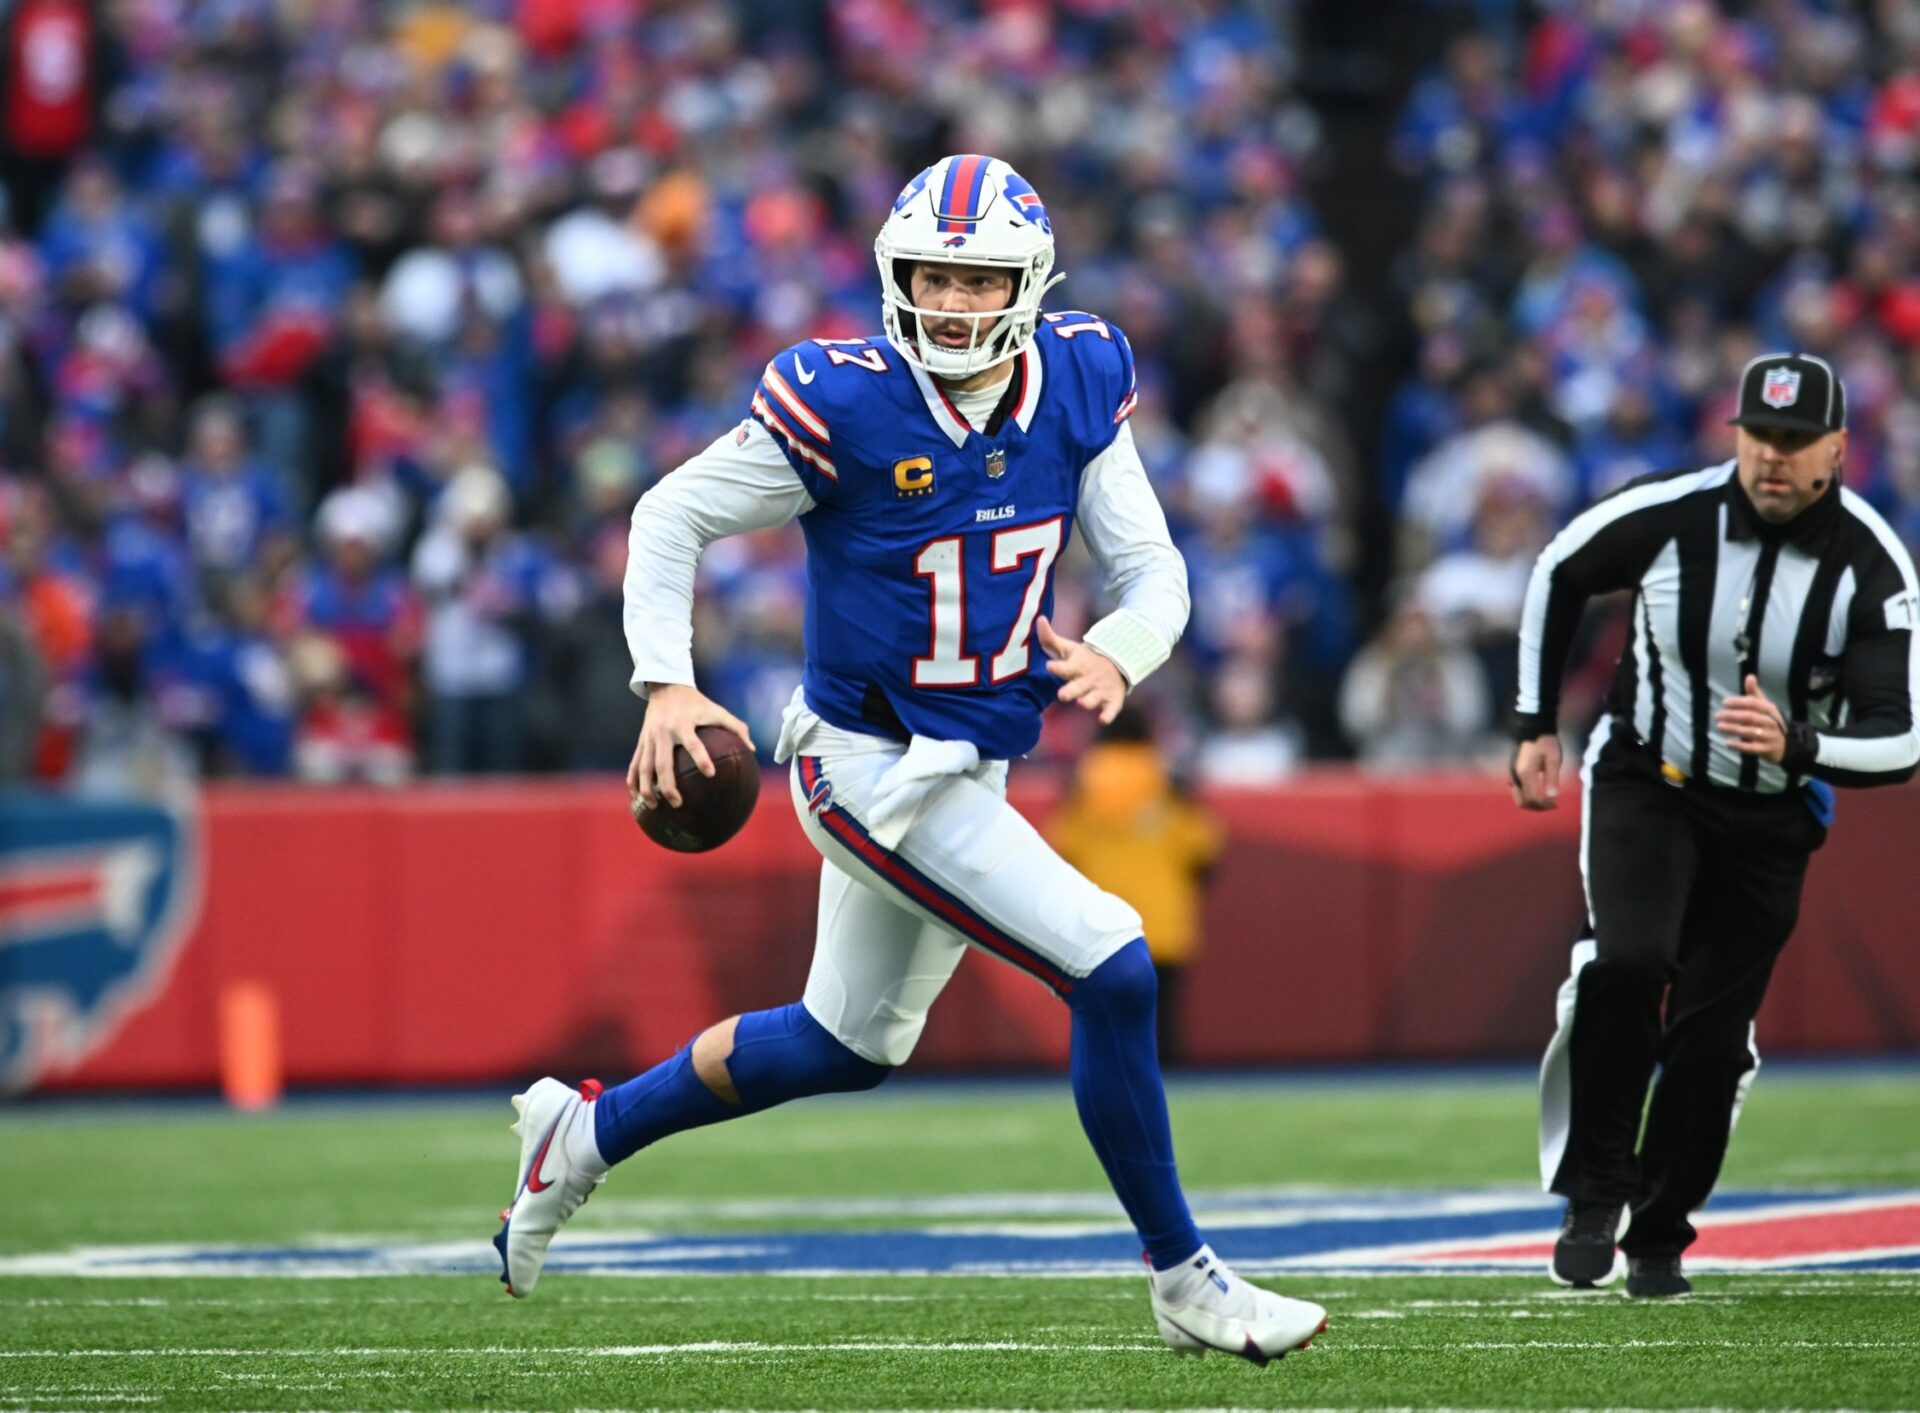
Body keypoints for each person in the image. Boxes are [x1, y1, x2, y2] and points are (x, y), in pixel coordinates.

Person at [493, 155, 1329, 1362]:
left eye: (977, 280)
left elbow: (1152, 571)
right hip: (865, 767)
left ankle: (581, 1136)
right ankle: (1186, 1278)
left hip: (966, 762)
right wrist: (667, 683)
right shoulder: (846, 401)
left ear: (1026, 288)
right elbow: (668, 513)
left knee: (846, 1044)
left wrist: (1121, 652)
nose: (948, 301)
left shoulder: (1080, 377)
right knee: (1115, 966)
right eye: (931, 274)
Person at [1509, 353, 1920, 1298]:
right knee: (1629, 960)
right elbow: (1559, 569)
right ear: (1734, 433)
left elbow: (1900, 741)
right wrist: (1534, 723)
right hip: (1649, 779)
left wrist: (1802, 744)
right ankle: (1594, 1191)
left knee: (1711, 1035)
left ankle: (1660, 1230)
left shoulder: (1869, 565)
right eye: (1758, 436)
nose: (1772, 458)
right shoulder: (1669, 514)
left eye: (1794, 440)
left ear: (1838, 448)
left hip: (1771, 815)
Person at [1047, 706, 1222, 1067]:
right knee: (1163, 1016)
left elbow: (1064, 850)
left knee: (1102, 1014)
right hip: (1162, 919)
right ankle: (1165, 1083)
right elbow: (1204, 852)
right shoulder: (1168, 779)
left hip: (1100, 923)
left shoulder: (1083, 780)